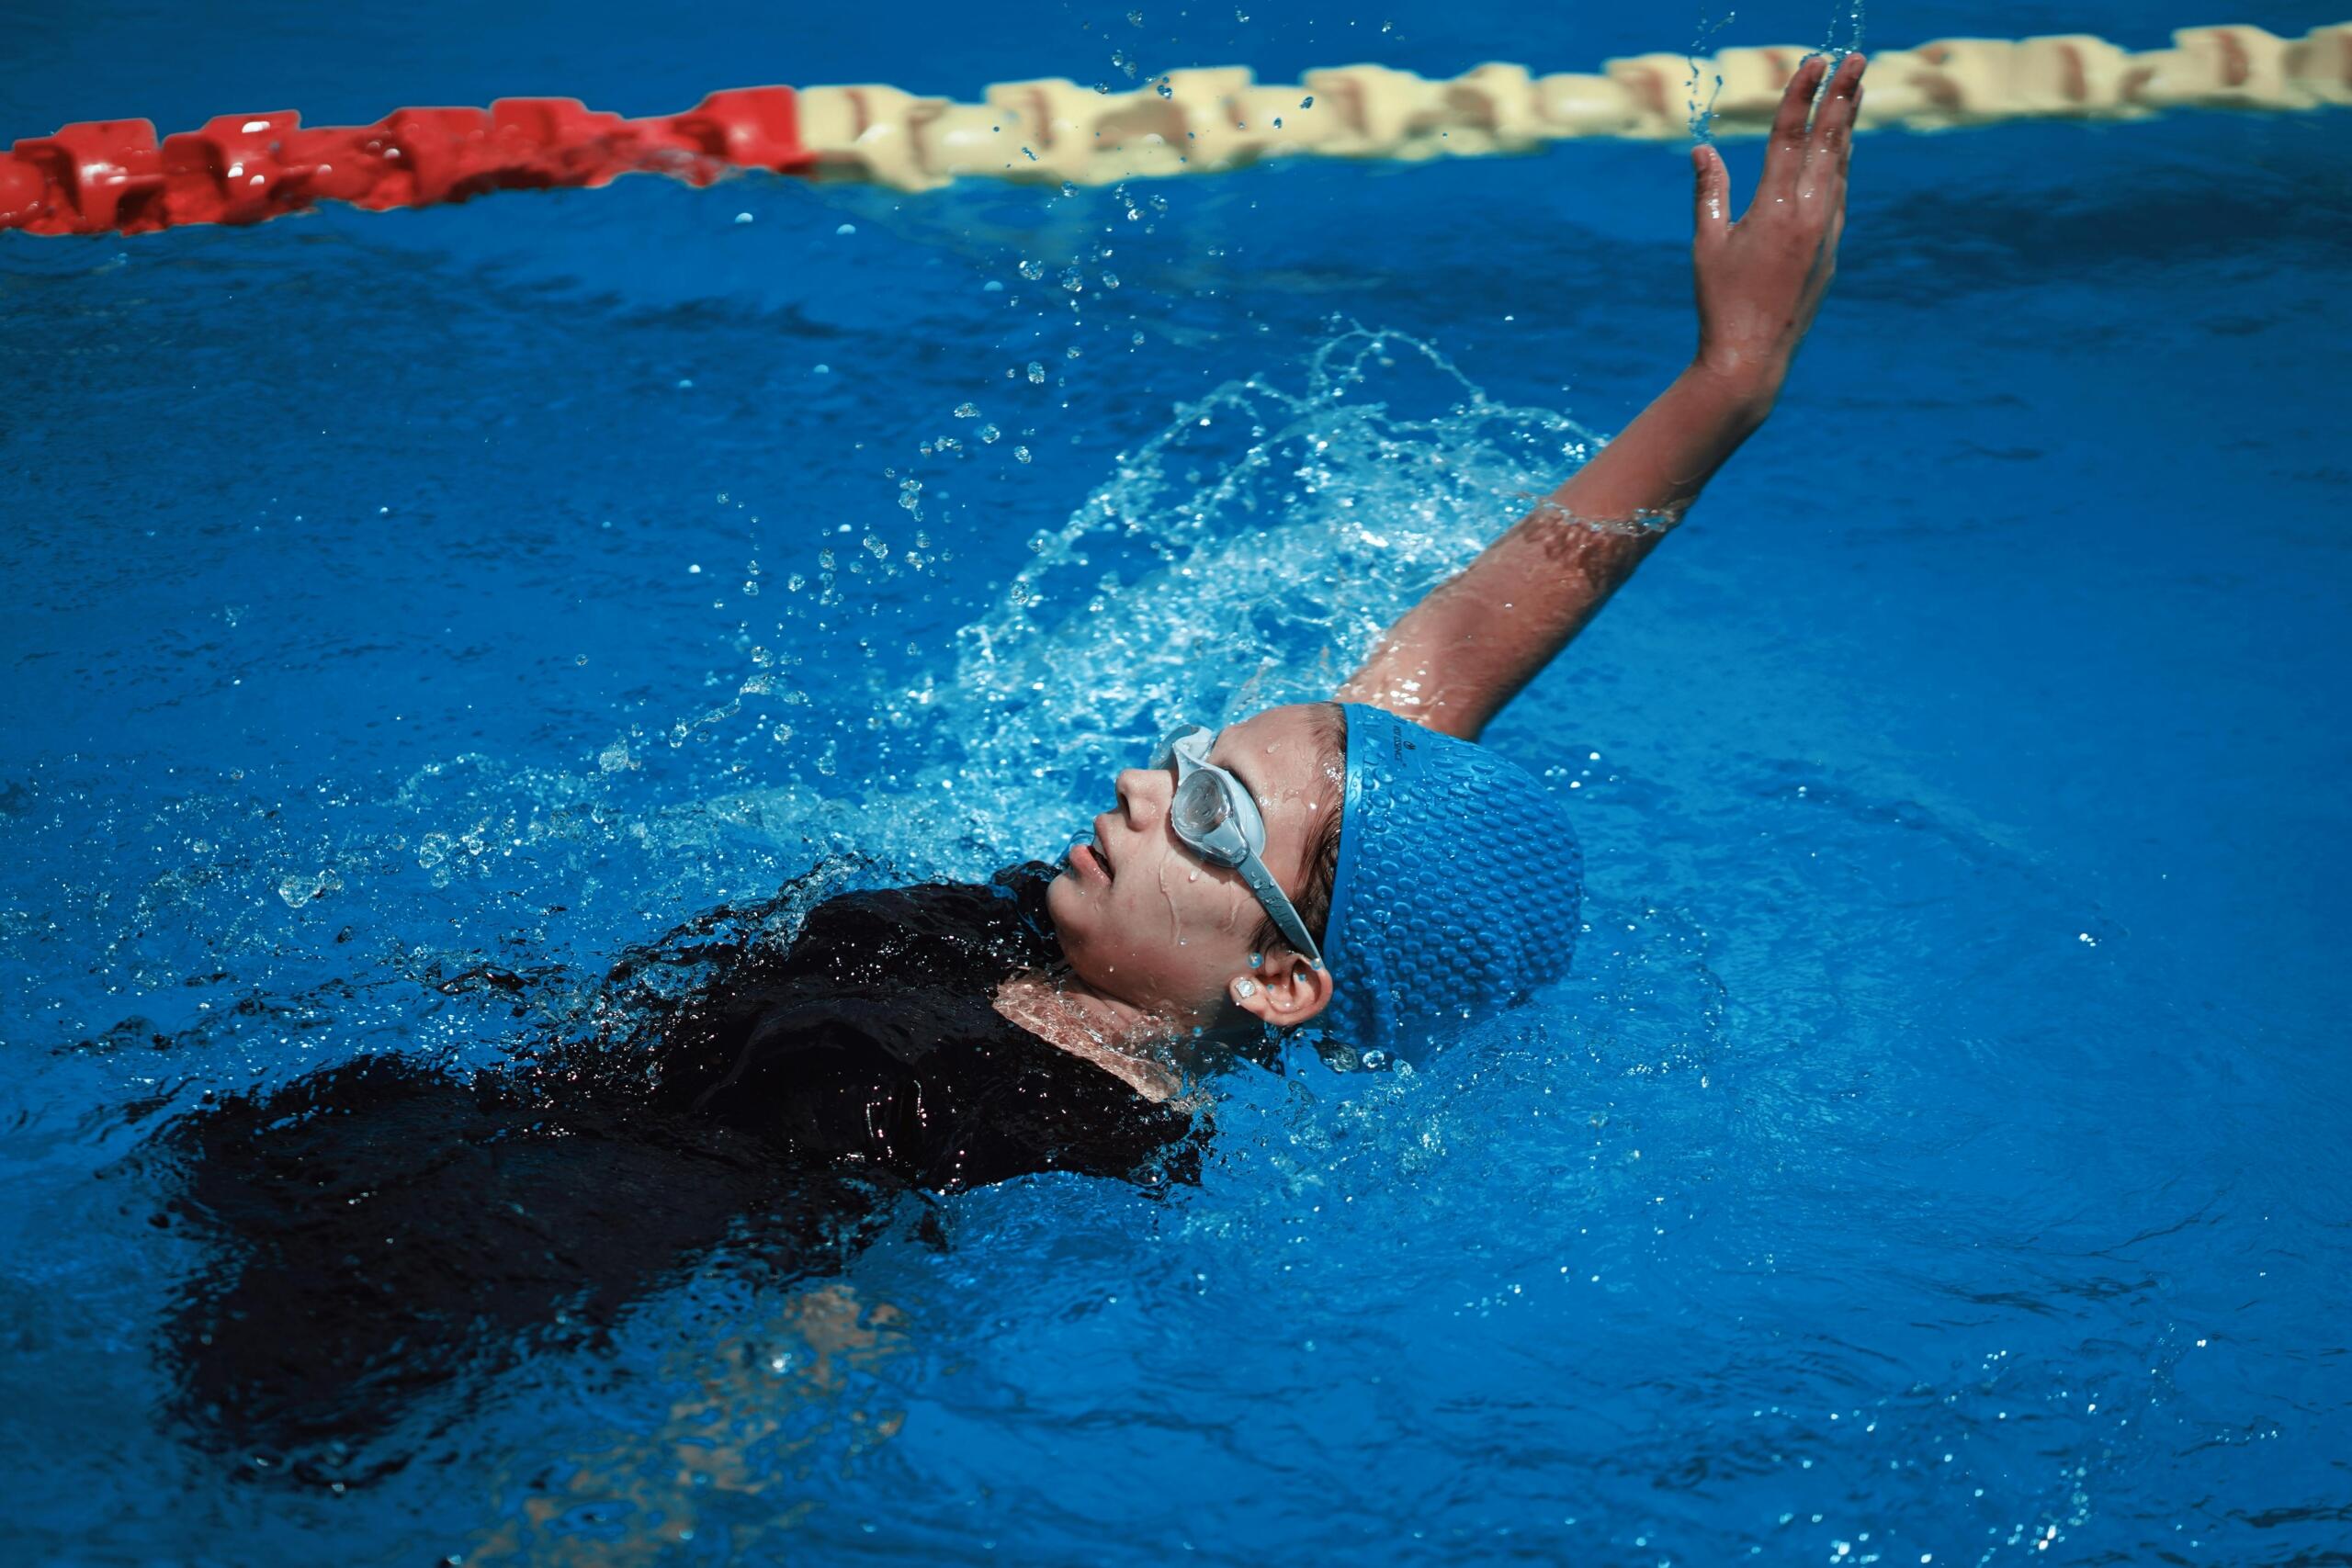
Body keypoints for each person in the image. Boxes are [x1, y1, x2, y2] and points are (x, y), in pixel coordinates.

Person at [150, 53, 1864, 1480]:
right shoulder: (1094, 921)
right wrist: (1729, 381)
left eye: (1206, 807)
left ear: (1282, 978)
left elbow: (818, 1354)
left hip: (465, 1285)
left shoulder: (1069, 1128)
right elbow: (1452, 669)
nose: (1140, 786)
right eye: (1186, 753)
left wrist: (603, 1527)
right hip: (442, 1100)